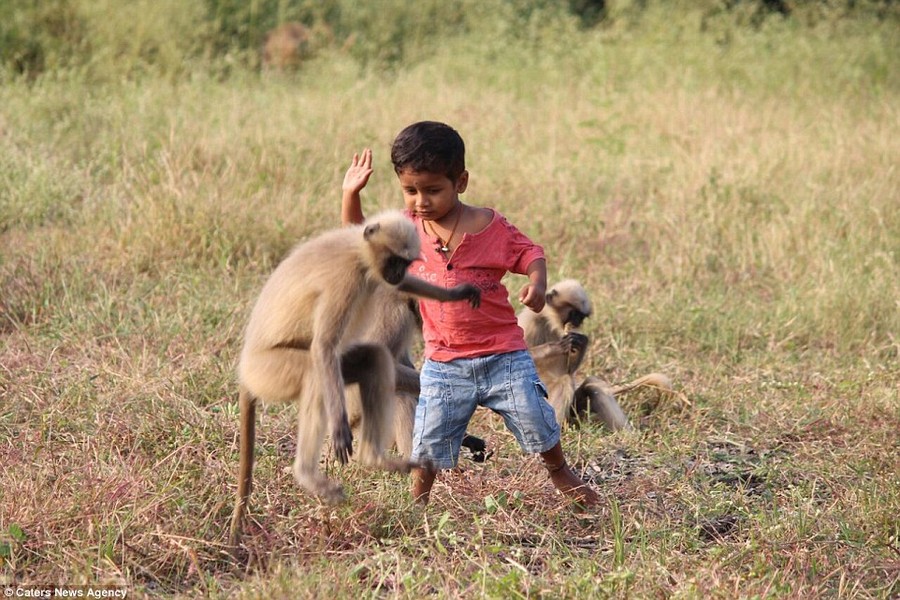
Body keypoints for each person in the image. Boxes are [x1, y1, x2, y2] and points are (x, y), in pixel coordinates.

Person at [341, 121, 599, 507]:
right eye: (410, 191)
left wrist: (538, 283)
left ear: (460, 182)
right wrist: (350, 193)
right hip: (445, 360)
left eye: (432, 190)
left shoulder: (488, 226)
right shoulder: (407, 230)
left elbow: (531, 252)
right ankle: (418, 502)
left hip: (503, 353)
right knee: (427, 438)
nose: (421, 201)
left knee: (536, 416)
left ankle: (560, 471)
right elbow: (359, 235)